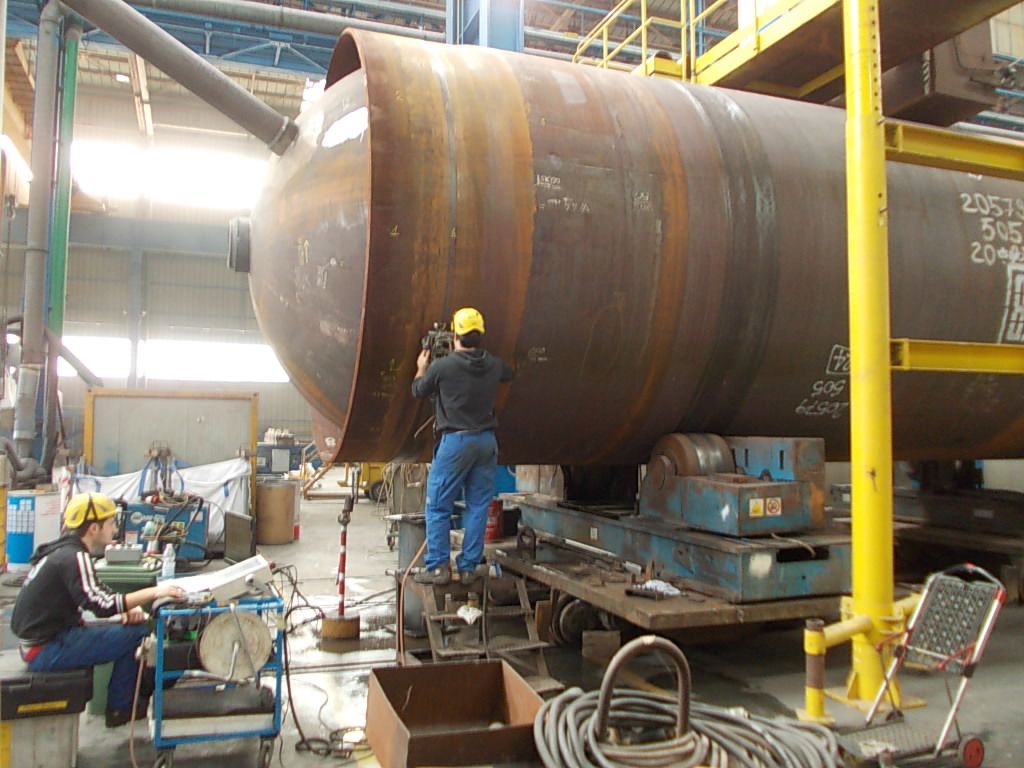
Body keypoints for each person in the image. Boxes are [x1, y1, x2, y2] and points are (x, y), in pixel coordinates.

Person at [11, 492, 186, 727]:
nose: (115, 529)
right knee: (137, 634)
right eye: (111, 523)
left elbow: (94, 599)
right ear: (94, 528)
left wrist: (121, 615)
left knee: (129, 628)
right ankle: (122, 708)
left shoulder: (59, 552)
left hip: (40, 641)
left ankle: (124, 703)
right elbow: (104, 606)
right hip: (45, 649)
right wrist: (156, 592)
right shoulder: (75, 557)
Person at [412, 307, 514, 586]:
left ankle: (438, 567)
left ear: (455, 335)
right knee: (478, 506)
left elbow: (418, 390)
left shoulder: (442, 367)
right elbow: (509, 373)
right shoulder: (493, 365)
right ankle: (468, 567)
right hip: (486, 442)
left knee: (438, 506)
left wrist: (421, 368)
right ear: (480, 336)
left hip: (456, 442)